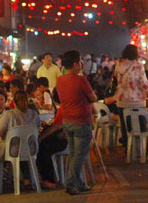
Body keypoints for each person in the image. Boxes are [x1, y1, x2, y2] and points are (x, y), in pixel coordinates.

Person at [55, 50, 97, 195]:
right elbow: (93, 98)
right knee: (79, 155)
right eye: (80, 61)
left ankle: (80, 183)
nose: (82, 63)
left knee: (74, 154)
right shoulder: (81, 80)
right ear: (74, 64)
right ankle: (71, 183)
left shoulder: (60, 80)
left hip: (67, 121)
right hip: (81, 122)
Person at [111, 44, 148, 147]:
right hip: (137, 101)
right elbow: (144, 84)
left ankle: (127, 147)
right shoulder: (138, 65)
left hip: (122, 100)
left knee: (125, 125)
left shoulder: (118, 65)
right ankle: (141, 146)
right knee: (141, 124)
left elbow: (117, 80)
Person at [0, 89, 40, 161]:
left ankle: (3, 169)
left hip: (12, 150)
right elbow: (38, 128)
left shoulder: (9, 114)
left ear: (14, 102)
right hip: (31, 150)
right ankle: (11, 168)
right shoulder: (34, 114)